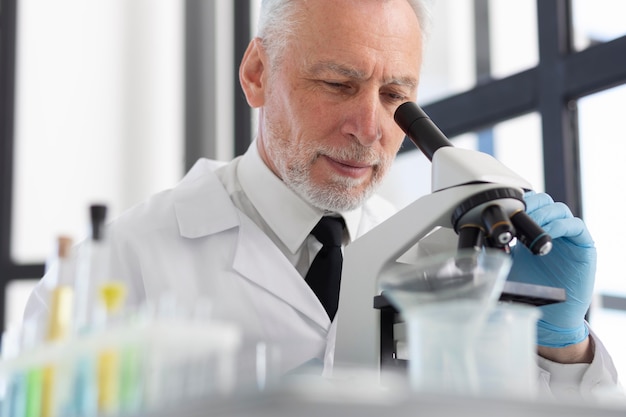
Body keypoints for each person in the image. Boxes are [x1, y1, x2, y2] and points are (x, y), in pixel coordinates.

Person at [24, 0, 620, 401]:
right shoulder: (118, 267)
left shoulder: (441, 254)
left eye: (395, 94)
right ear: (257, 73)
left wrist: (561, 345)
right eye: (337, 84)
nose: (368, 127)